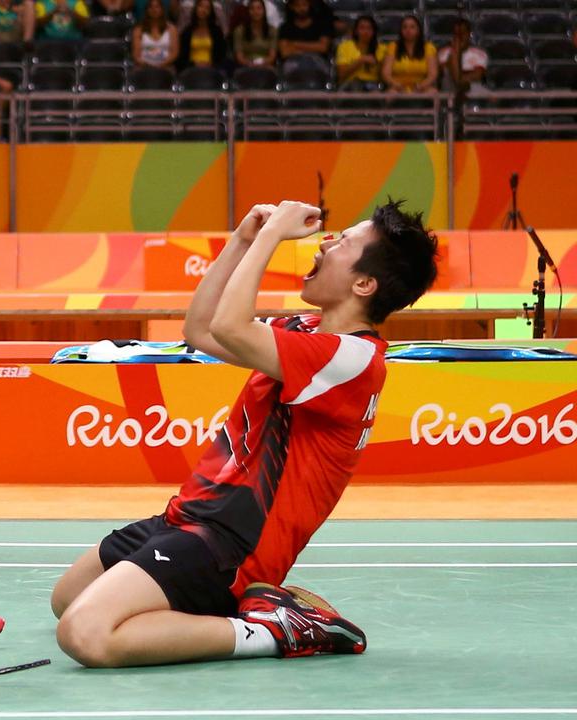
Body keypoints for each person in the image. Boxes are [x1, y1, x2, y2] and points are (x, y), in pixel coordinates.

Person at [50, 198, 439, 667]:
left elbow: (232, 326)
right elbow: (202, 330)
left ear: (363, 283)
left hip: (231, 545)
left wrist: (274, 234)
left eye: (346, 242)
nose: (329, 242)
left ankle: (272, 631)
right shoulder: (306, 331)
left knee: (85, 634)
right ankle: (230, 612)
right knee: (66, 599)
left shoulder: (353, 359)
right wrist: (244, 240)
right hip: (187, 518)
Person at [382, 15, 437, 94]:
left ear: (418, 30)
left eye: (412, 27)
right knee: (391, 94)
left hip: (422, 87)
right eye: (405, 27)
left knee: (433, 92)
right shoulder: (393, 47)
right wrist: (397, 85)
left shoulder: (428, 47)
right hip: (397, 87)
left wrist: (420, 86)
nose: (408, 30)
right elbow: (386, 73)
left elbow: (432, 74)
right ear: (401, 31)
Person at [438, 18, 488, 98]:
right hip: (449, 87)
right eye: (456, 34)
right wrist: (456, 52)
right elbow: (447, 73)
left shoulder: (479, 53)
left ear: (468, 34)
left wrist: (460, 80)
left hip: (472, 86)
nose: (460, 37)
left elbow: (477, 75)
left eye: (462, 34)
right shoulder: (443, 52)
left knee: (493, 98)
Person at [175, 0, 227, 71]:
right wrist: (194, 64)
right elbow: (181, 58)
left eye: (207, 8)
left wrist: (211, 63)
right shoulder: (187, 31)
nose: (203, 10)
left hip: (212, 69)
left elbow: (221, 55)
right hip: (191, 69)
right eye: (200, 6)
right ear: (196, 8)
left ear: (211, 12)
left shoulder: (217, 31)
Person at [336, 15, 383, 90]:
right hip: (349, 85)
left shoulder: (381, 48)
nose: (365, 31)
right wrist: (361, 60)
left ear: (374, 31)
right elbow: (341, 74)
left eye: (369, 28)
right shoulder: (344, 46)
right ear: (356, 31)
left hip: (372, 85)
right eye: (362, 28)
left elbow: (383, 76)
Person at [131, 0, 177, 71]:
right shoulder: (138, 30)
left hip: (166, 67)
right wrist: (147, 65)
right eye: (151, 7)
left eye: (157, 7)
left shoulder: (171, 29)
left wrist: (161, 65)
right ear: (146, 10)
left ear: (162, 9)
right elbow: (136, 55)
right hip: (143, 67)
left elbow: (174, 53)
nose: (154, 10)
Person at [232, 0, 275, 68]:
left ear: (264, 11)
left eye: (259, 8)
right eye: (252, 8)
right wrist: (250, 64)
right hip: (245, 66)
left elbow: (272, 56)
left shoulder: (272, 30)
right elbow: (239, 57)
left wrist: (260, 63)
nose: (255, 12)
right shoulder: (239, 30)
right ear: (248, 11)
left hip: (266, 65)